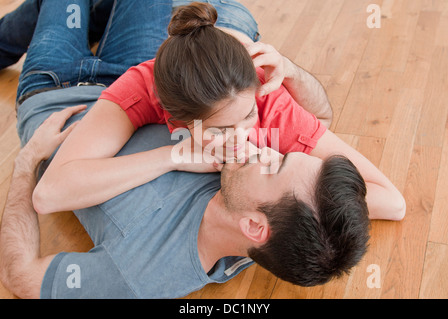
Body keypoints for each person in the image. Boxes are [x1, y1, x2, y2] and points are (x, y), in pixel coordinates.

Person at [0, 0, 375, 299]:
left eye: (274, 166)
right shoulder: (256, 193)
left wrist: (26, 162)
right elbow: (383, 200)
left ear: (254, 227)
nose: (266, 147)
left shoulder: (141, 276)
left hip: (57, 92)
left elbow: (21, 275)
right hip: (140, 76)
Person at [31, 1, 406, 222]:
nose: (243, 136)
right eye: (222, 128)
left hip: (227, 19)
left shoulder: (266, 101)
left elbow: (392, 200)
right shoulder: (144, 86)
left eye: (247, 117)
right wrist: (172, 156)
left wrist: (289, 188)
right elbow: (49, 195)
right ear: (173, 117)